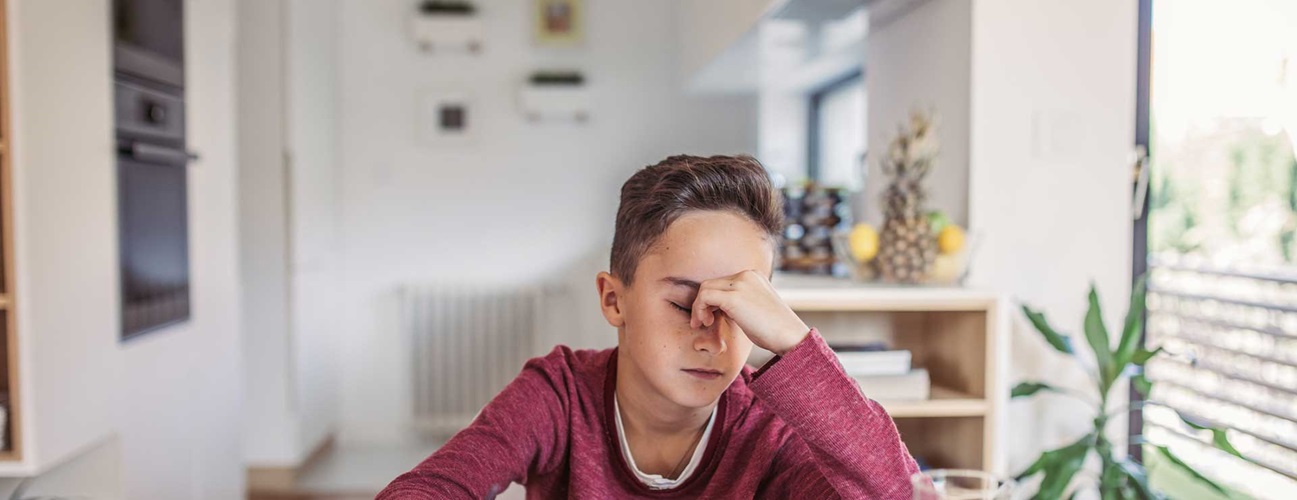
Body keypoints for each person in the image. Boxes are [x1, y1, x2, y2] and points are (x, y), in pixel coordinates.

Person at [377, 155, 919, 498]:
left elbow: (901, 494)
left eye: (741, 312)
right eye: (685, 305)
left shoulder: (767, 429)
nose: (713, 338)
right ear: (615, 300)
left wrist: (796, 345)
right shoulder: (560, 396)